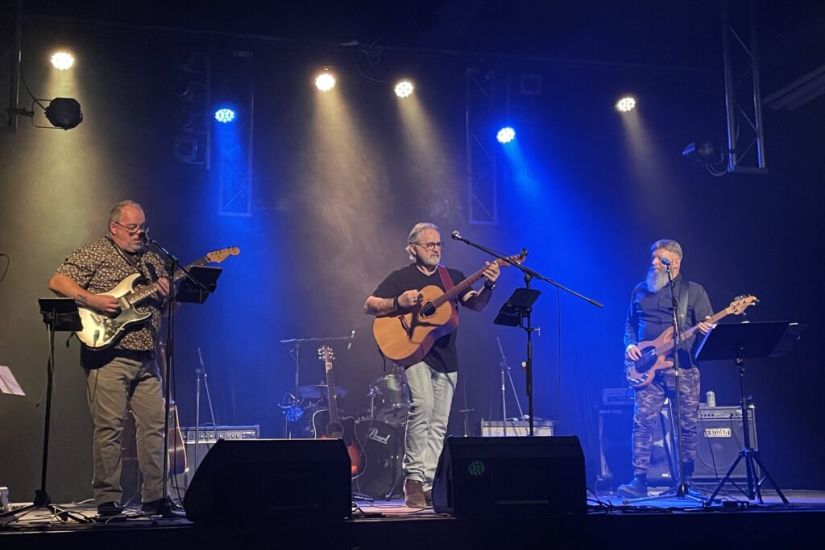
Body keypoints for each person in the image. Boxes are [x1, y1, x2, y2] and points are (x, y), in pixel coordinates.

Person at [48, 200, 171, 516]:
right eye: (132, 228)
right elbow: (58, 281)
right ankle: (107, 500)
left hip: (147, 356)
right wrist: (92, 300)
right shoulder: (95, 252)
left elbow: (165, 310)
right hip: (108, 353)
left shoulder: (153, 261)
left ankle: (155, 497)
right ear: (114, 228)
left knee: (155, 427)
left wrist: (168, 295)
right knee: (109, 429)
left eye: (142, 226)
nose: (139, 233)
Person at [364, 222, 499, 508]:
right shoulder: (401, 277)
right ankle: (412, 478)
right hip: (415, 352)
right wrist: (398, 301)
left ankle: (428, 481)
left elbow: (475, 304)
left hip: (446, 357)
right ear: (413, 249)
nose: (436, 249)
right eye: (430, 245)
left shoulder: (451, 278)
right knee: (423, 406)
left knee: (439, 423)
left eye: (439, 244)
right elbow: (370, 305)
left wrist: (489, 284)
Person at [617, 239, 714, 498]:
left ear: (676, 263)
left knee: (687, 425)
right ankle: (639, 481)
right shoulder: (639, 290)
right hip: (646, 368)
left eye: (660, 259)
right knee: (642, 423)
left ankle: (685, 480)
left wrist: (706, 330)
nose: (653, 263)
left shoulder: (693, 292)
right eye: (653, 257)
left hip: (681, 367)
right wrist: (629, 346)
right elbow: (629, 325)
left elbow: (707, 329)